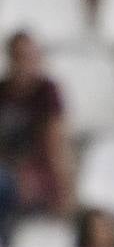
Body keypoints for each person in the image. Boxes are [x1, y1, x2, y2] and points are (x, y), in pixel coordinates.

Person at [0, 33, 75, 223]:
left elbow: (55, 145)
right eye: (20, 57)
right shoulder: (3, 92)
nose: (25, 65)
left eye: (30, 57)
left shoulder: (47, 93)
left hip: (38, 177)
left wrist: (63, 189)